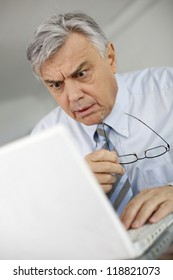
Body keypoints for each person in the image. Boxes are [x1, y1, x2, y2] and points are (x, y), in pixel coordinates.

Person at [26, 11, 173, 230]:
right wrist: (72, 192)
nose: (74, 96)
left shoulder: (168, 91)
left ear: (110, 58)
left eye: (82, 74)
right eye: (56, 85)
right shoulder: (43, 139)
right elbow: (38, 220)